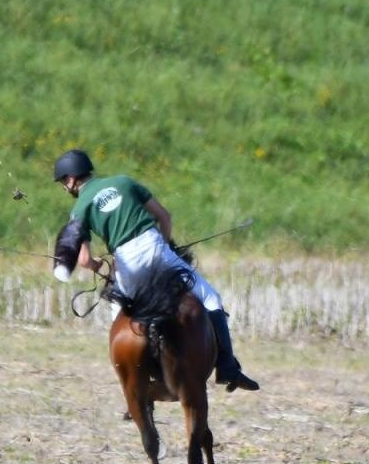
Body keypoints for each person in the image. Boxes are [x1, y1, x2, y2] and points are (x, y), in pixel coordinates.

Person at [50, 149, 258, 392]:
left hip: (127, 265)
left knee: (120, 318)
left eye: (63, 182)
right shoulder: (124, 182)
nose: (65, 187)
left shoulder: (80, 208)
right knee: (211, 298)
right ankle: (227, 367)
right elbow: (164, 217)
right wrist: (165, 246)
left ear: (71, 179)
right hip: (157, 251)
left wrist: (99, 266)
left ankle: (134, 382)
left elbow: (84, 260)